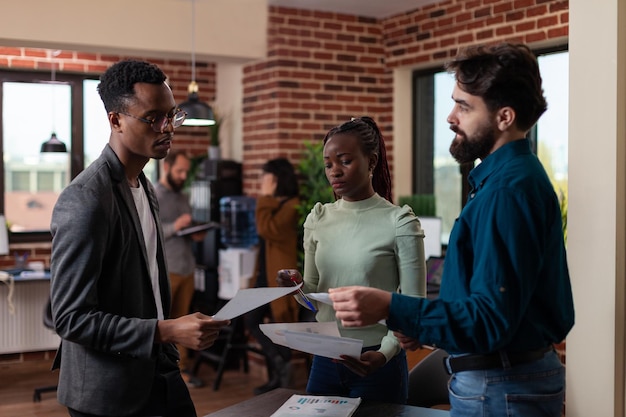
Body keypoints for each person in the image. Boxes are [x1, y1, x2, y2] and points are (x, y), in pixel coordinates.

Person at [328, 43, 575, 417]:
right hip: (506, 382)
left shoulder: (506, 192)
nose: (449, 117)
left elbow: (490, 320)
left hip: (500, 388)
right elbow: (495, 311)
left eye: (463, 106)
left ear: (504, 116)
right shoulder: (511, 180)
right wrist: (423, 325)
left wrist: (390, 305)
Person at [49, 59, 229, 417]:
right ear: (116, 120)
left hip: (156, 368)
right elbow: (71, 318)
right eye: (152, 118)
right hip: (108, 389)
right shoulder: (85, 198)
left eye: (171, 115)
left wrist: (169, 331)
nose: (167, 128)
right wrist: (164, 330)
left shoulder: (144, 187)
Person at [277, 117, 427, 404]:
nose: (335, 171)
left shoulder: (399, 222)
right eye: (328, 164)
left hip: (377, 360)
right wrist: (295, 286)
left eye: (344, 161)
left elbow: (413, 306)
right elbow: (313, 298)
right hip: (325, 356)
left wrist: (384, 355)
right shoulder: (318, 218)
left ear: (371, 162)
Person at [245, 157, 301, 395]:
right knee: (252, 319)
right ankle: (279, 367)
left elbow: (268, 228)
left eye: (266, 178)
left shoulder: (292, 206)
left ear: (276, 179)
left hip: (279, 280)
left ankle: (280, 375)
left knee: (274, 325)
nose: (262, 183)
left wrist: (265, 197)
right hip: (264, 275)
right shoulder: (277, 204)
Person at [155, 149, 207, 388]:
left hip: (187, 267)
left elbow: (186, 231)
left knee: (184, 320)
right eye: (180, 171)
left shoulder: (183, 197)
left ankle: (180, 370)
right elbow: (151, 233)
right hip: (168, 270)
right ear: (167, 168)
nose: (184, 175)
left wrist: (196, 233)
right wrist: (175, 226)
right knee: (167, 323)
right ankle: (163, 372)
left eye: (186, 171)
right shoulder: (154, 195)